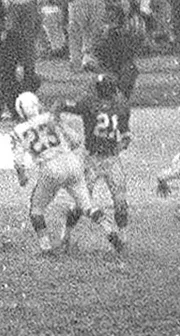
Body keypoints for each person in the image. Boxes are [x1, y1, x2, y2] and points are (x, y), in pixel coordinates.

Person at [11, 92, 122, 256]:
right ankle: (109, 229)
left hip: (50, 167)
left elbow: (18, 161)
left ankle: (46, 248)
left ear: (20, 111)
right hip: (71, 162)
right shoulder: (51, 118)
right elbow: (76, 140)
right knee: (87, 206)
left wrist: (22, 177)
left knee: (36, 210)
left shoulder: (18, 130)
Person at [58, 74, 134, 242]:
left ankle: (123, 239)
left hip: (107, 158)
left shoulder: (91, 102)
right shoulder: (116, 104)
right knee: (82, 202)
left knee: (120, 201)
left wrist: (56, 115)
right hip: (93, 158)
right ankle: (66, 235)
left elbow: (125, 133)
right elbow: (63, 105)